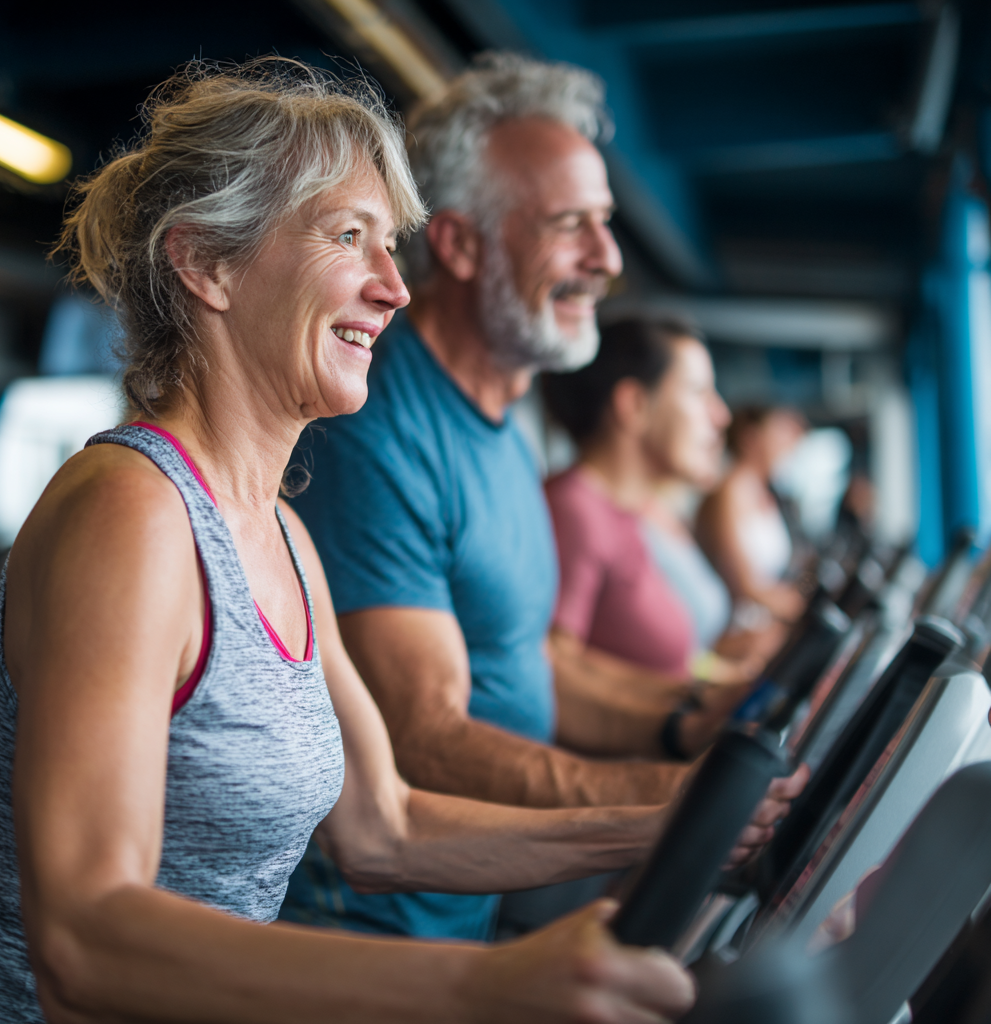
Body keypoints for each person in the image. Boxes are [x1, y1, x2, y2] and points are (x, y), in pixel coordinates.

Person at [0, 59, 714, 1023]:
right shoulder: (131, 514)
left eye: (392, 246)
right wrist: (486, 986)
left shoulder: (281, 533)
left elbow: (383, 826)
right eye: (350, 237)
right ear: (208, 265)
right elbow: (84, 932)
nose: (396, 288)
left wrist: (664, 825)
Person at [284, 53, 807, 940]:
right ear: (457, 244)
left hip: (466, 910)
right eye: (570, 226)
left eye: (603, 223)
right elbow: (426, 736)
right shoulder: (376, 428)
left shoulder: (507, 415)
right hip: (367, 936)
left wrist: (684, 718)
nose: (605, 259)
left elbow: (527, 659)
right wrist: (673, 796)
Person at [541, 315, 777, 694]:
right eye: (699, 393)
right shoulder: (574, 509)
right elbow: (556, 672)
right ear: (634, 404)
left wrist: (729, 676)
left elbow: (667, 661)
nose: (721, 416)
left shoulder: (628, 511)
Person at [696, 405, 808, 625]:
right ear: (751, 438)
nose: (787, 445)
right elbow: (745, 585)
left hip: (766, 623)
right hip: (736, 630)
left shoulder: (767, 494)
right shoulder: (727, 493)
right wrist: (799, 609)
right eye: (778, 433)